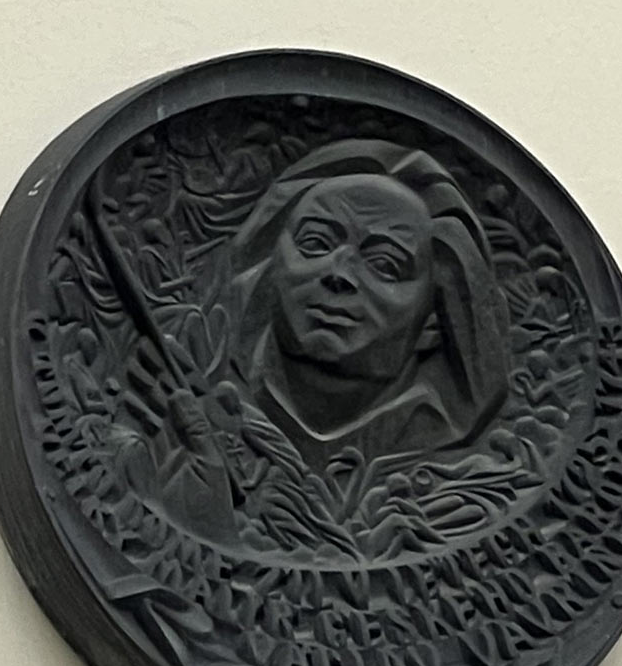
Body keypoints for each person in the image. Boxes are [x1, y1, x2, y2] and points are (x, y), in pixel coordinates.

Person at [215, 139, 511, 471]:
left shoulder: (449, 452)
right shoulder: (209, 394)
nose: (339, 274)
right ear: (269, 269)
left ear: (434, 321)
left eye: (384, 264)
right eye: (315, 243)